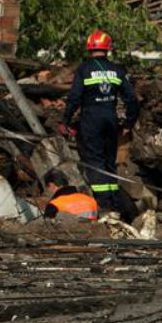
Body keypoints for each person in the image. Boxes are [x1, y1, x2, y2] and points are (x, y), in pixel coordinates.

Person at [60, 30, 139, 217]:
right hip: (110, 120)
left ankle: (104, 206)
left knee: (95, 161)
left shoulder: (84, 69)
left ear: (89, 47)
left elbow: (74, 98)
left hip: (91, 119)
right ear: (108, 48)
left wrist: (66, 120)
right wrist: (129, 122)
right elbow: (132, 99)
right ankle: (114, 202)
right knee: (109, 161)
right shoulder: (117, 70)